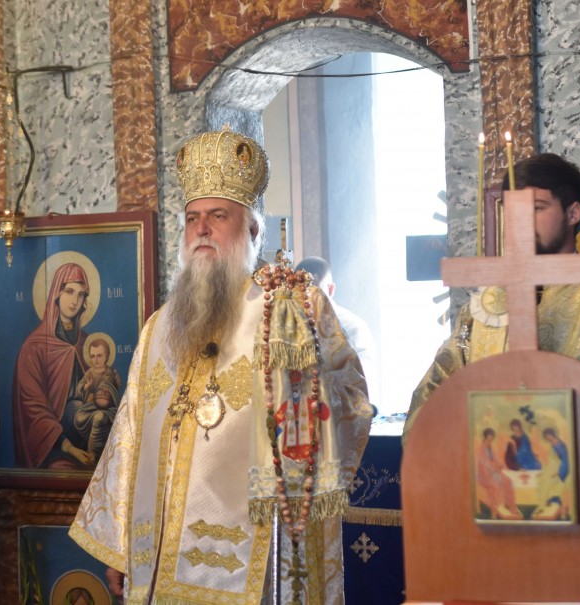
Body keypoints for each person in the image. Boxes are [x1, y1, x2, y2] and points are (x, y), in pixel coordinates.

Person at [70, 127, 373, 604]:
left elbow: (352, 405)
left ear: (253, 231)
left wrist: (299, 404)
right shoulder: (159, 328)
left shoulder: (291, 311)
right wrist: (119, 546)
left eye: (218, 215)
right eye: (192, 218)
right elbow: (128, 438)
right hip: (156, 560)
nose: (202, 229)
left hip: (257, 560)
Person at [406, 153, 580, 598]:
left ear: (573, 212)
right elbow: (437, 394)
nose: (520, 223)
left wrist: (564, 426)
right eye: (511, 211)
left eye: (536, 208)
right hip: (493, 518)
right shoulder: (485, 308)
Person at [12, 262, 97, 469]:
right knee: (62, 470)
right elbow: (34, 409)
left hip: (89, 439)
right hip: (55, 446)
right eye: (69, 292)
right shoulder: (34, 347)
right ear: (57, 293)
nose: (75, 301)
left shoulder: (87, 344)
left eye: (81, 295)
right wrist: (69, 447)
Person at [294, 256, 381, 406]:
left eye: (315, 293)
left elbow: (363, 383)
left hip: (342, 411)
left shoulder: (352, 328)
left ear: (330, 289)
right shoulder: (289, 327)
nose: (308, 301)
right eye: (301, 293)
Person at [73, 337, 120, 458]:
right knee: (78, 418)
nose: (96, 360)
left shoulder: (108, 373)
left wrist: (94, 394)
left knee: (99, 418)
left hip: (106, 408)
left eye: (99, 356)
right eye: (92, 356)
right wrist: (86, 387)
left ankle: (93, 453)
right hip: (90, 407)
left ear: (107, 356)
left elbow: (104, 390)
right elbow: (80, 387)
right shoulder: (90, 372)